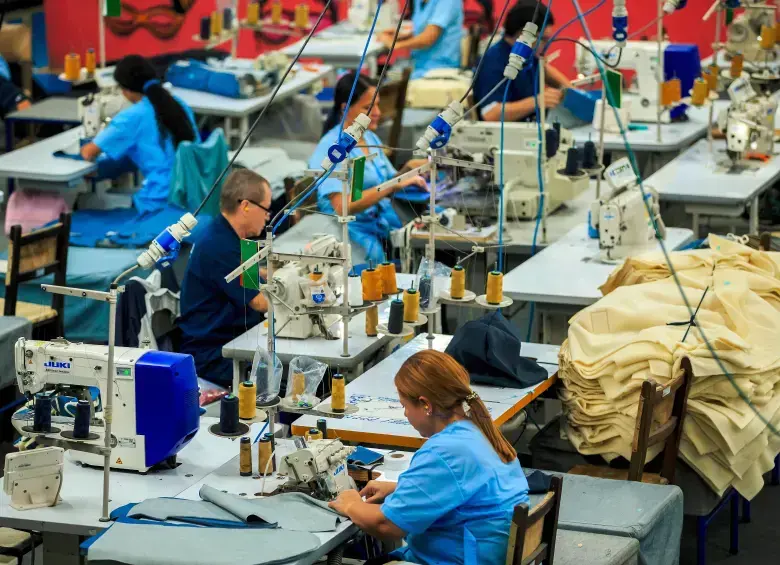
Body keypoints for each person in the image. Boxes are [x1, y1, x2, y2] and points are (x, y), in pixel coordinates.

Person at [328, 350, 530, 565]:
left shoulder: (443, 451)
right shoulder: (478, 430)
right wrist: (401, 489)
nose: (405, 414)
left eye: (405, 406)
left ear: (426, 404)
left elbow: (387, 526)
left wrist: (350, 504)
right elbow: (469, 490)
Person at [309, 73, 427, 265]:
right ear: (345, 108)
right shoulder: (332, 149)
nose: (377, 112)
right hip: (348, 232)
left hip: (376, 223)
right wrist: (392, 186)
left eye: (377, 104)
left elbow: (389, 179)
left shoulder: (369, 138)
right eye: (368, 107)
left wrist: (410, 168)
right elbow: (343, 206)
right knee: (379, 266)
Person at [179, 169, 271, 385]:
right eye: (266, 209)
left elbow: (251, 275)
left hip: (238, 340)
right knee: (284, 382)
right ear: (246, 206)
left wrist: (282, 269)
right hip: (212, 355)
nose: (268, 216)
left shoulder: (236, 238)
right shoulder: (219, 246)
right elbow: (259, 302)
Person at [80, 54, 198, 214]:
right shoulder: (179, 105)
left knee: (84, 202)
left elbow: (88, 152)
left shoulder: (132, 117)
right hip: (193, 195)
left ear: (126, 90)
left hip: (159, 202)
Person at [473, 0, 571, 122]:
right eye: (544, 39)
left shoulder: (529, 55)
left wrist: (571, 91)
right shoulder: (493, 60)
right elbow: (490, 113)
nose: (546, 45)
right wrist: (537, 101)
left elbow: (543, 69)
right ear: (524, 35)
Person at [377, 0, 463, 79]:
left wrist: (396, 45)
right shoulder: (419, 1)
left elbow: (428, 38)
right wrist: (399, 36)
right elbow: (421, 30)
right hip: (418, 63)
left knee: (381, 86)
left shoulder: (448, 2)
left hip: (439, 68)